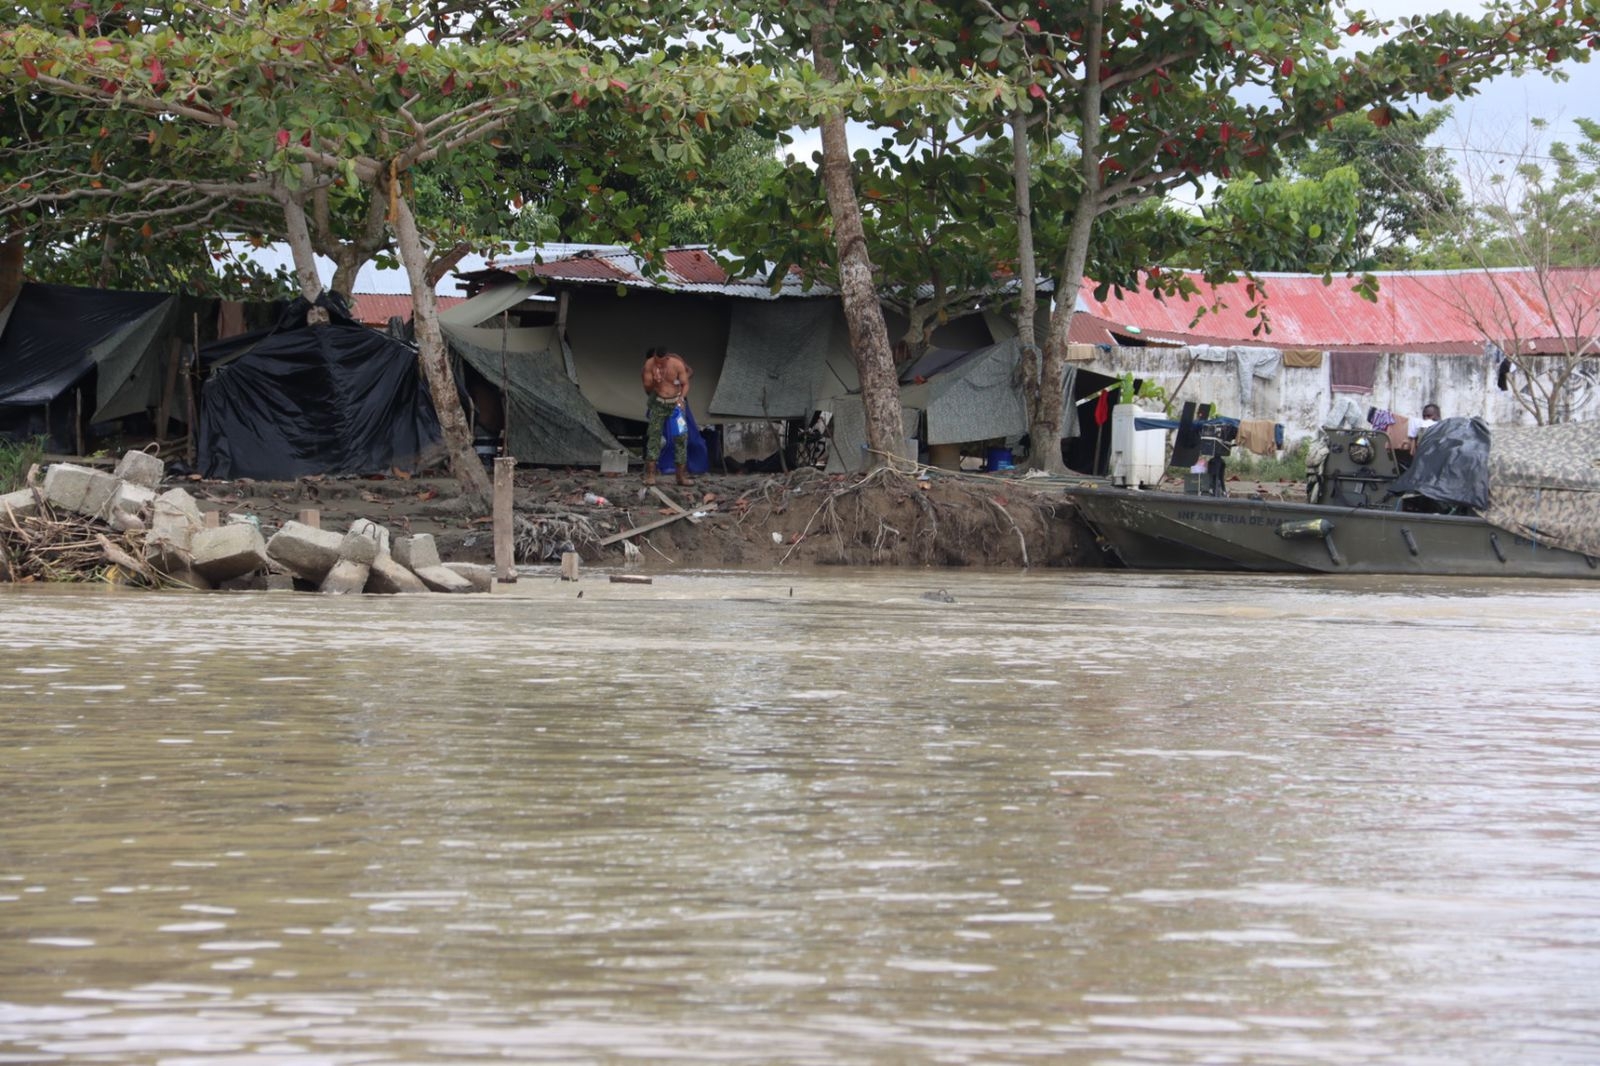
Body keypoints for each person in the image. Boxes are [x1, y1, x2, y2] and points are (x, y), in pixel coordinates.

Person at [641, 347, 693, 486]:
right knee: (654, 436)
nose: (658, 364)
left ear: (667, 358)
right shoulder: (649, 366)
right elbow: (647, 388)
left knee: (681, 436)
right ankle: (651, 475)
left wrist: (681, 397)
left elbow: (686, 381)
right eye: (655, 361)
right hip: (658, 403)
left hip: (675, 404)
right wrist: (655, 381)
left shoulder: (676, 363)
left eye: (661, 362)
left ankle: (680, 476)